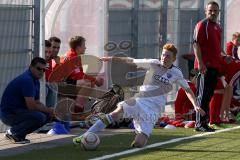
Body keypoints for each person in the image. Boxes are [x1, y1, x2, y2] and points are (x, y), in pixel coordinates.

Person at [72, 43, 205, 148]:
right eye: (163, 55)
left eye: (168, 56)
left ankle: (138, 133)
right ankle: (86, 135)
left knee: (139, 144)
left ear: (174, 58)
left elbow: (188, 90)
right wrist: (111, 58)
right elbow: (130, 61)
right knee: (115, 113)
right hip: (139, 101)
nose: (164, 58)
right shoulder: (153, 63)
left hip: (152, 110)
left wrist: (195, 105)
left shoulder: (177, 73)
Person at [0, 57, 55, 144]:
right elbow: (32, 106)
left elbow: (36, 102)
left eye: (44, 70)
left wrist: (50, 111)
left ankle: (19, 135)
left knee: (46, 115)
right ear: (31, 67)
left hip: (16, 112)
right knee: (40, 117)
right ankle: (14, 132)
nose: (41, 72)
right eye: (39, 69)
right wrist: (49, 110)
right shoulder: (27, 80)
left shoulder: (35, 80)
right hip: (9, 114)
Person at [192, 1, 228, 132]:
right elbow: (196, 44)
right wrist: (200, 63)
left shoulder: (218, 27)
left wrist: (224, 56)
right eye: (210, 10)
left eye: (215, 11)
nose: (213, 13)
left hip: (214, 66)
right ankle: (199, 123)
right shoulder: (202, 25)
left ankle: (204, 122)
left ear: (218, 12)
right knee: (202, 95)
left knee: (208, 95)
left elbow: (218, 47)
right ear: (205, 12)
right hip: (204, 67)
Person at [45, 37, 61, 108]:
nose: (56, 50)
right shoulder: (44, 57)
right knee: (53, 86)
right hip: (39, 84)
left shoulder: (51, 59)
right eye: (54, 47)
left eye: (58, 48)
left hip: (47, 84)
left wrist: (58, 64)